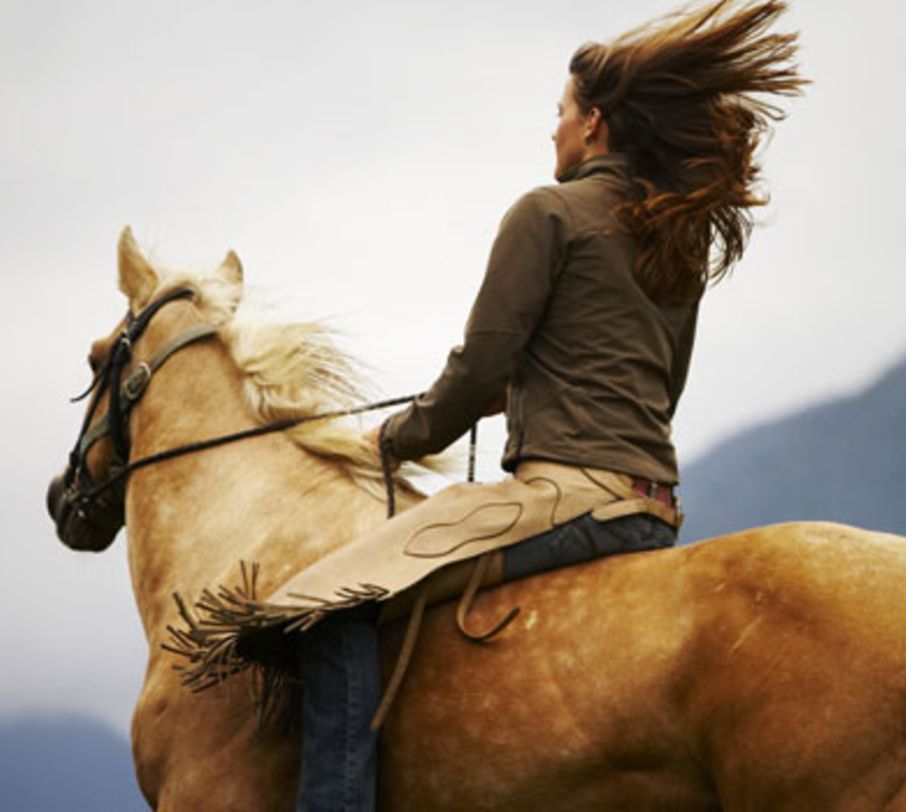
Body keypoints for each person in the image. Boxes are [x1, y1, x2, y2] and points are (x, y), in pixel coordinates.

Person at [293, 1, 805, 809]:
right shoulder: (677, 235)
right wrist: (535, 386)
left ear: (594, 123)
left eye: (560, 113)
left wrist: (399, 436)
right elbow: (659, 383)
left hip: (564, 499)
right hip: (654, 505)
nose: (554, 131)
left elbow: (480, 365)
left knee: (324, 606)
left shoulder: (547, 211)